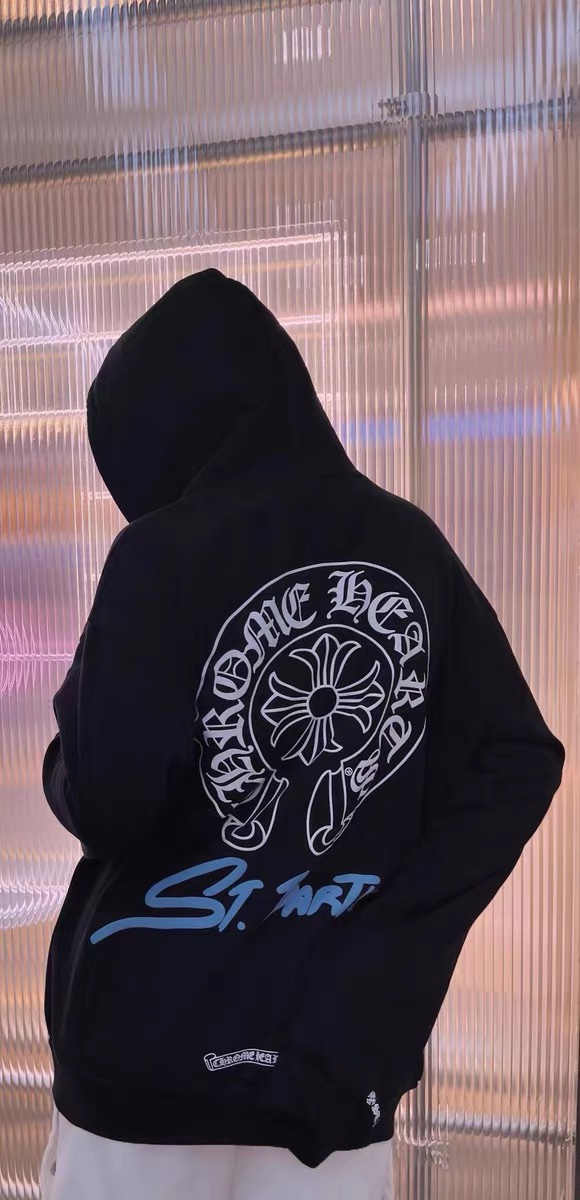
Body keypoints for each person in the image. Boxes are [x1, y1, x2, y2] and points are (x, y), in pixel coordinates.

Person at [39, 269, 564, 1200]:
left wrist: (63, 755)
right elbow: (516, 759)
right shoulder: (409, 545)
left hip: (147, 1070)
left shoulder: (159, 553)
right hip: (333, 1070)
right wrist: (396, 944)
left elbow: (110, 801)